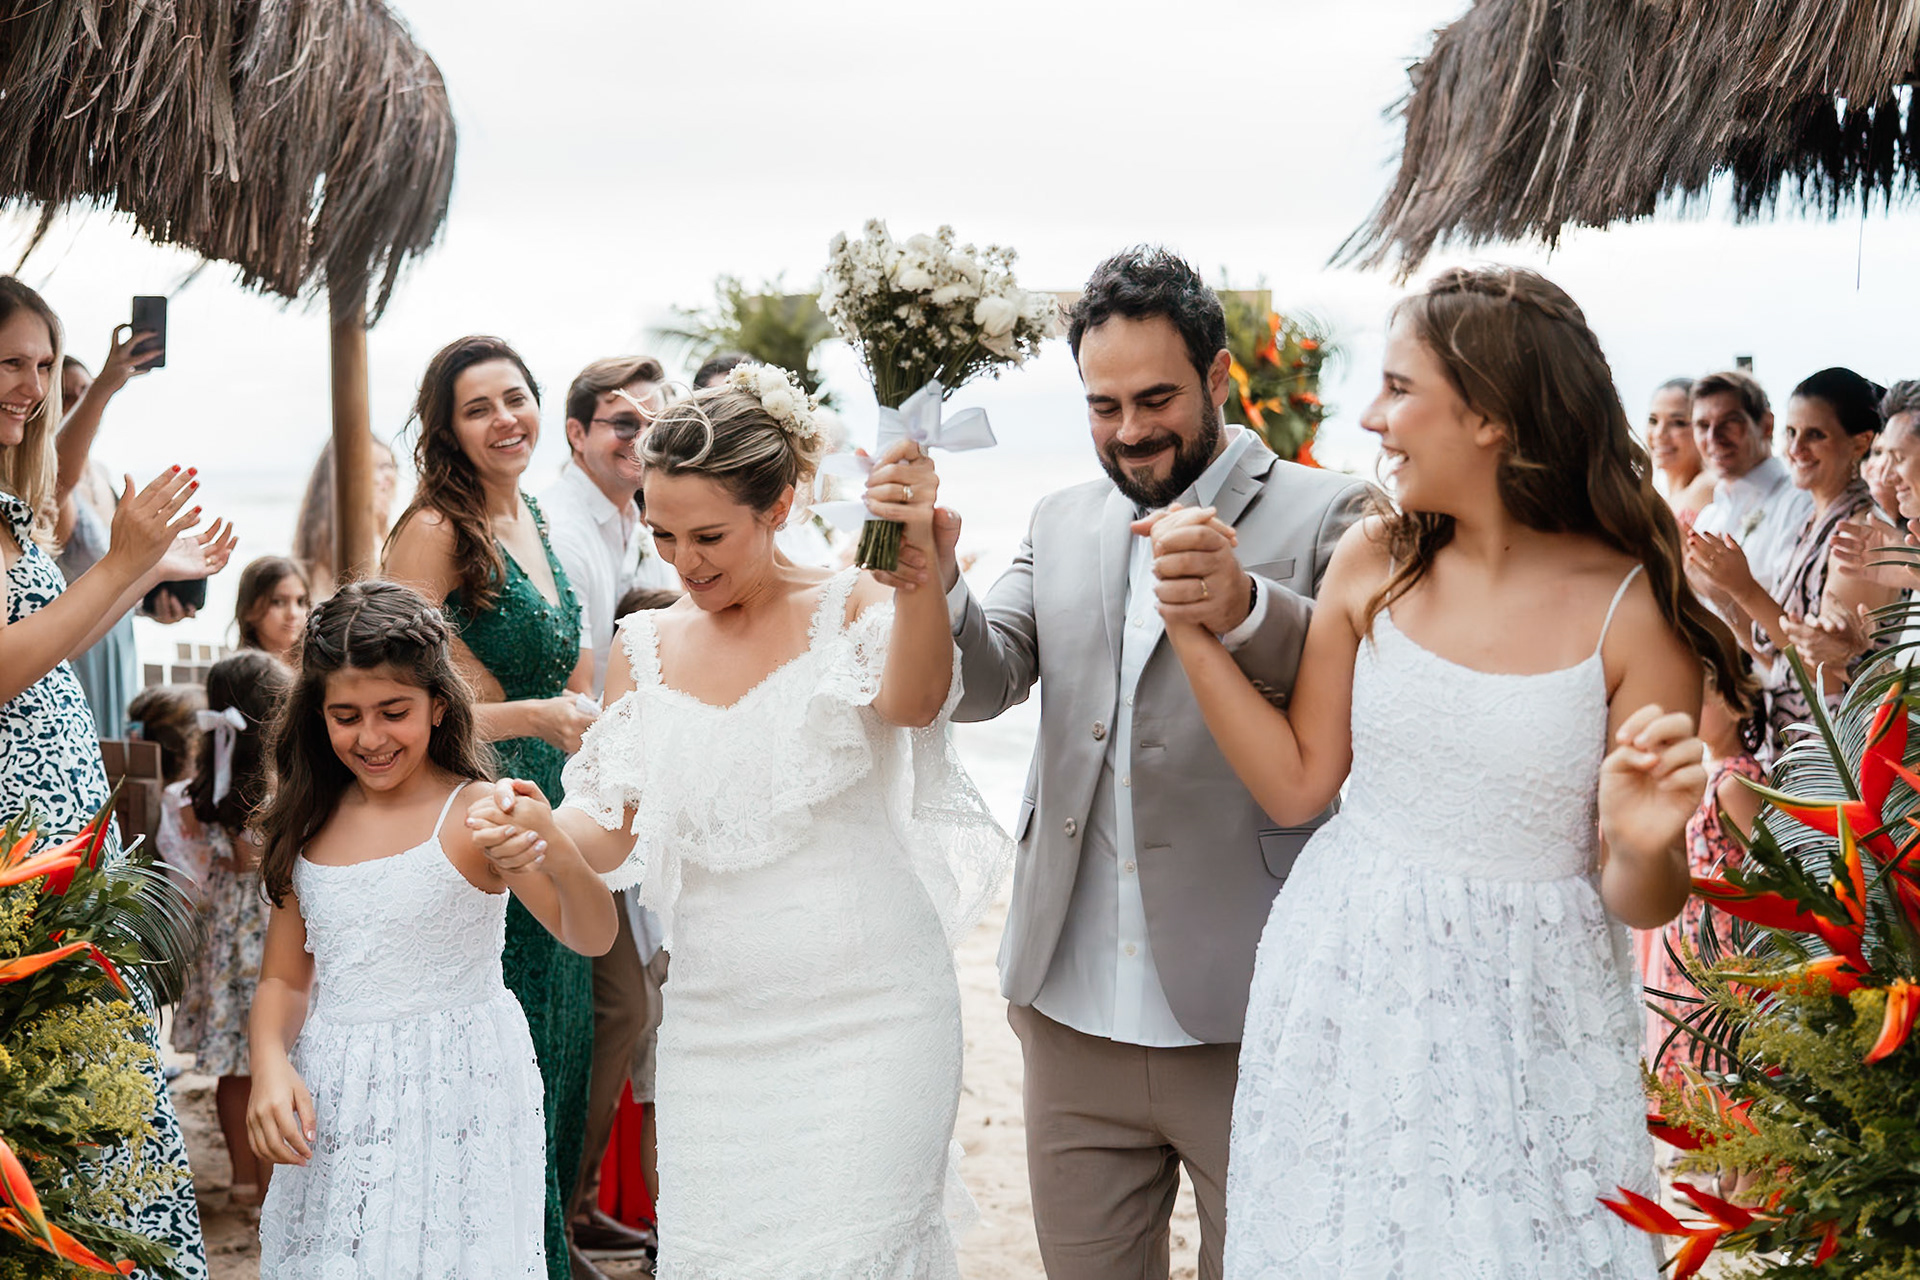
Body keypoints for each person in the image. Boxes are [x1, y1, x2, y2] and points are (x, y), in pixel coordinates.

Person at [1144, 265, 1738, 1278]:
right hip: (1346, 975)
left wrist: (1643, 839)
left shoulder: (1632, 614)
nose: (1373, 416)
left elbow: (1641, 896)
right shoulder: (1375, 562)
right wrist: (1192, 632)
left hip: (1531, 1011)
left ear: (1491, 418)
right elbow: (1297, 784)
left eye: (1399, 388)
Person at [467, 366, 1012, 1278]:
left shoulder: (858, 604)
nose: (686, 562)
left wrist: (919, 575)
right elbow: (608, 835)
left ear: (783, 503)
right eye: (664, 535)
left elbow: (918, 703)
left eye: (710, 535)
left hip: (874, 1016)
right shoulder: (644, 649)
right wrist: (538, 830)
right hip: (718, 1030)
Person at [898, 247, 1368, 1280]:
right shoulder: (1061, 519)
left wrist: (1247, 608)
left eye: (1155, 397)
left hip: (1254, 1008)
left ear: (1217, 374)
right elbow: (984, 680)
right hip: (1068, 1010)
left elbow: (1367, 696)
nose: (1130, 429)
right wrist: (934, 581)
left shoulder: (1334, 510)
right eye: (1102, 404)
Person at [247, 580, 617, 1279]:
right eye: (346, 715)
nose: (371, 736)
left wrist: (555, 847)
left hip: (460, 1091)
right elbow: (281, 979)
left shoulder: (478, 813)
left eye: (394, 711)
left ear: (439, 705)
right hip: (338, 1094)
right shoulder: (307, 820)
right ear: (317, 714)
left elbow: (590, 933)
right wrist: (270, 1063)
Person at [0, 275, 236, 1280]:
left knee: (100, 1083)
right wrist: (119, 563)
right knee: (49, 1093)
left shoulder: (13, 502)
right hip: (13, 836)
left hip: (64, 825)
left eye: (47, 365)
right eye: (12, 361)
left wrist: (140, 572)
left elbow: (52, 645)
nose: (32, 386)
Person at [382, 335, 598, 1280]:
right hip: (477, 809)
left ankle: (545, 1252)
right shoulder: (435, 527)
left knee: (560, 1043)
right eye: (480, 407)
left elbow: (566, 665)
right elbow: (378, 683)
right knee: (499, 1063)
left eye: (517, 398)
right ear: (447, 428)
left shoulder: (538, 517)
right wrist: (531, 716)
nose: (506, 418)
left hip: (551, 798)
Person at [539, 355, 678, 1261]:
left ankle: (576, 1204)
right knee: (608, 1009)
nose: (641, 438)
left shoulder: (632, 521)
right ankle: (558, 1211)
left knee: (627, 1011)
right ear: (578, 433)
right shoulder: (563, 522)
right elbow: (582, 675)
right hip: (575, 795)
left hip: (626, 789)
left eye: (653, 423)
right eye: (623, 423)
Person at [1687, 367, 1894, 752]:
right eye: (1792, 432)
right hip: (1792, 738)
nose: (1796, 449)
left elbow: (1824, 664)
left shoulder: (1860, 532)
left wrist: (1744, 588)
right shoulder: (1814, 523)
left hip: (1838, 752)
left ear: (1860, 442)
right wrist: (1722, 592)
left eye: (1815, 435)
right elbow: (1770, 651)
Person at [161, 650, 288, 1210]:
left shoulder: (205, 787)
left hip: (221, 939)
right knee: (269, 1056)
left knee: (234, 1069)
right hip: (262, 934)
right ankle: (269, 1186)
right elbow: (259, 861)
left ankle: (243, 1181)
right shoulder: (267, 791)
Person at [54, 332, 180, 736]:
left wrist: (150, 603)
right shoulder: (52, 483)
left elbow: (115, 568)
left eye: (86, 392)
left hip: (117, 634)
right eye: (67, 395)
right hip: (75, 642)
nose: (79, 404)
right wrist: (106, 385)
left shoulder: (105, 476)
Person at [1643, 680, 1763, 1085]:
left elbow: (1769, 870)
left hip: (1724, 951)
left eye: (1704, 697)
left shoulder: (1734, 781)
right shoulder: (1702, 774)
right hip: (1693, 944)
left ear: (1737, 705)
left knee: (1721, 1065)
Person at [1687, 370, 1812, 616]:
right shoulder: (1708, 517)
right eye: (1703, 426)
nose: (1713, 438)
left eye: (1729, 422)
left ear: (1767, 425)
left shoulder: (1800, 503)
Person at [291, 438, 400, 602]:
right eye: (372, 467)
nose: (383, 477)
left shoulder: (392, 536)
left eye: (388, 466)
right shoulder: (325, 546)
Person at [1647, 377, 1715, 526]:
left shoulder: (1707, 488)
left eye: (1678, 423)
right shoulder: (1662, 498)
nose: (1659, 433)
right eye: (1653, 421)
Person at [233, 556, 312, 666]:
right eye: (278, 602)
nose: (293, 614)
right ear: (249, 609)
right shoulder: (238, 674)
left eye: (300, 602)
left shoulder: (319, 669)